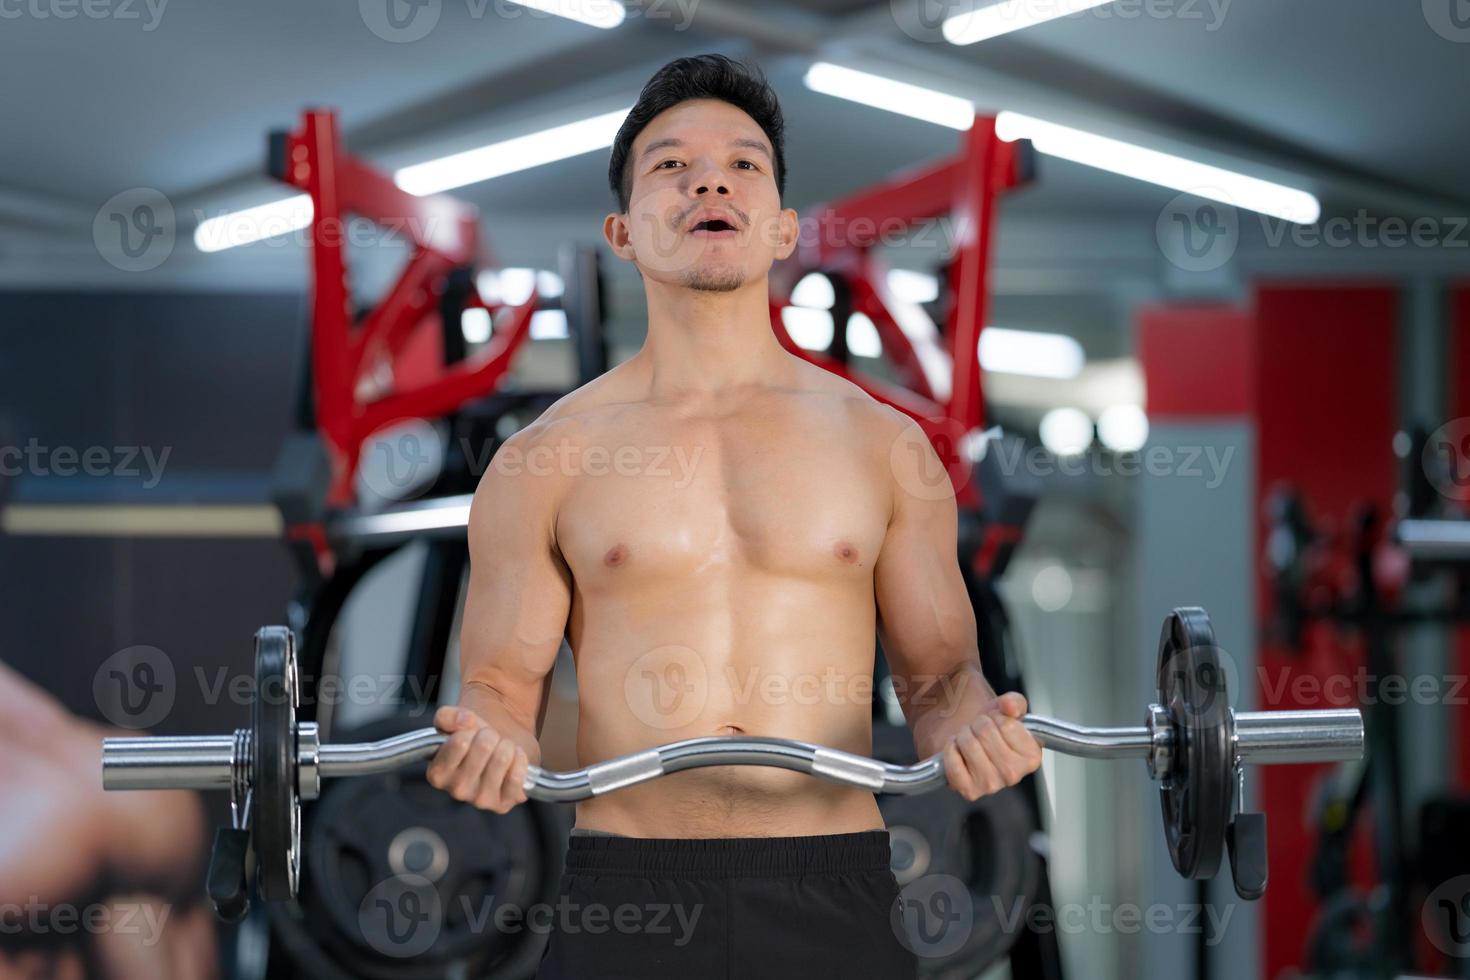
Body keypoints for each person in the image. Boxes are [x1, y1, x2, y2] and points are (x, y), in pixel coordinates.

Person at [426, 53, 1042, 978]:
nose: (709, 179)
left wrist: (968, 728)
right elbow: (503, 690)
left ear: (782, 227)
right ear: (623, 231)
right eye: (670, 166)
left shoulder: (886, 448)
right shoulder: (542, 460)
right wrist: (489, 743)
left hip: (834, 889)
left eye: (743, 164)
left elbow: (939, 679)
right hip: (625, 895)